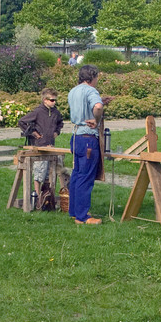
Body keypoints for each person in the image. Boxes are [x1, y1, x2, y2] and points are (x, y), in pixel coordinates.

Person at [67, 64, 105, 224]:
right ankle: (83, 216)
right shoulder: (91, 91)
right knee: (85, 177)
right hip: (88, 137)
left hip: (76, 136)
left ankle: (74, 211)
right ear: (93, 77)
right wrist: (96, 119)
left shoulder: (73, 91)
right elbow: (97, 106)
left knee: (76, 174)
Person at [18, 87, 64, 199]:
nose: (54, 102)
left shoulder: (56, 113)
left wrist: (57, 132)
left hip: (51, 146)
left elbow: (60, 122)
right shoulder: (38, 112)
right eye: (52, 100)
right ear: (45, 100)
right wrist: (34, 133)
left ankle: (47, 196)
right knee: (39, 172)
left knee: (50, 172)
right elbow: (22, 121)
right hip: (39, 146)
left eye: (55, 100)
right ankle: (37, 196)